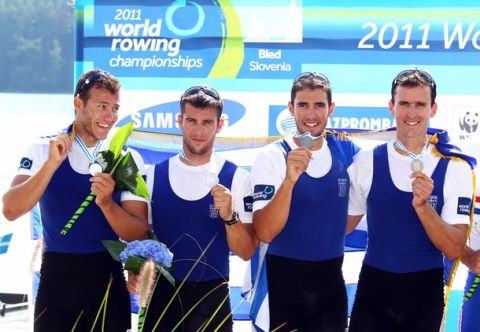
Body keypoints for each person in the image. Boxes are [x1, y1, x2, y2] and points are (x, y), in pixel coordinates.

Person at [2, 68, 149, 331]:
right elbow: (11, 209)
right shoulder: (42, 148)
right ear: (78, 104)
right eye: (102, 106)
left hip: (106, 279)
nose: (110, 116)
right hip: (56, 280)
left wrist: (106, 204)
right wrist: (50, 166)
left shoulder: (126, 159)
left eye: (115, 108)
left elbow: (140, 231)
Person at [347, 68, 474, 332]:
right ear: (391, 106)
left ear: (433, 108)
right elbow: (340, 227)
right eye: (404, 103)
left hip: (423, 294)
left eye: (420, 104)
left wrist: (423, 207)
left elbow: (453, 249)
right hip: (374, 289)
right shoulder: (366, 161)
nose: (411, 113)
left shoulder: (455, 167)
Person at [129, 85, 258, 331]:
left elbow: (246, 251)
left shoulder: (237, 178)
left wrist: (229, 217)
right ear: (180, 121)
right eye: (192, 121)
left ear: (220, 125)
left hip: (212, 299)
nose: (199, 130)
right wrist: (136, 270)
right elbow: (140, 238)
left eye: (207, 122)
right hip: (161, 299)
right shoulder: (153, 175)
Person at [250, 72, 358, 331]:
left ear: (330, 108)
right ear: (290, 108)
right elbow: (264, 231)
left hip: (330, 287)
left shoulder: (348, 152)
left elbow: (353, 217)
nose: (311, 115)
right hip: (282, 288)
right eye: (303, 105)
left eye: (319, 105)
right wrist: (289, 182)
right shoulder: (272, 157)